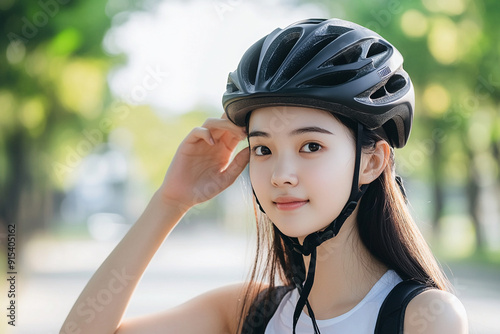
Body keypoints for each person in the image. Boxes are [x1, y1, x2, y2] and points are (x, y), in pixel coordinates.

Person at [61, 18, 468, 334]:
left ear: (372, 162)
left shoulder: (422, 318)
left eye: (311, 146)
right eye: (263, 149)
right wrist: (170, 202)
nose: (281, 174)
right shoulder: (250, 314)